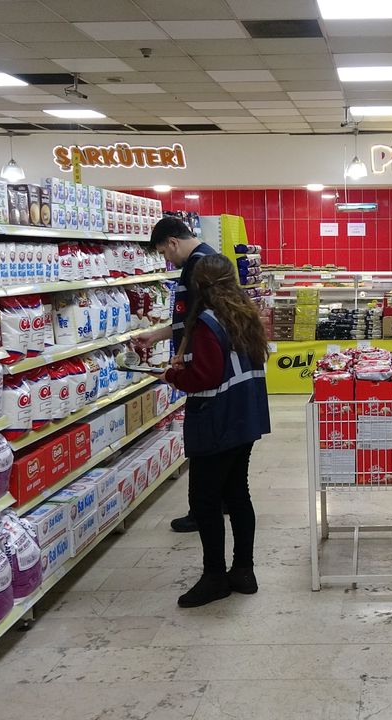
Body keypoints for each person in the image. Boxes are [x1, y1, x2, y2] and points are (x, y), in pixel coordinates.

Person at [161, 254, 272, 607]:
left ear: (199, 285)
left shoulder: (207, 321)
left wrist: (173, 375)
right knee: (238, 494)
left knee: (205, 501)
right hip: (245, 415)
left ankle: (214, 577)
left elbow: (206, 377)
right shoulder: (244, 313)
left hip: (216, 421)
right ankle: (243, 571)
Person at [137, 215, 218, 533]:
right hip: (209, 366)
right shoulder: (209, 258)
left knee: (200, 446)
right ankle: (217, 503)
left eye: (164, 253)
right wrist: (157, 336)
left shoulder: (197, 266)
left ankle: (201, 512)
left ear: (172, 242)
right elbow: (190, 321)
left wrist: (178, 366)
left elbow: (198, 322)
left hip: (202, 370)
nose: (167, 261)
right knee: (217, 450)